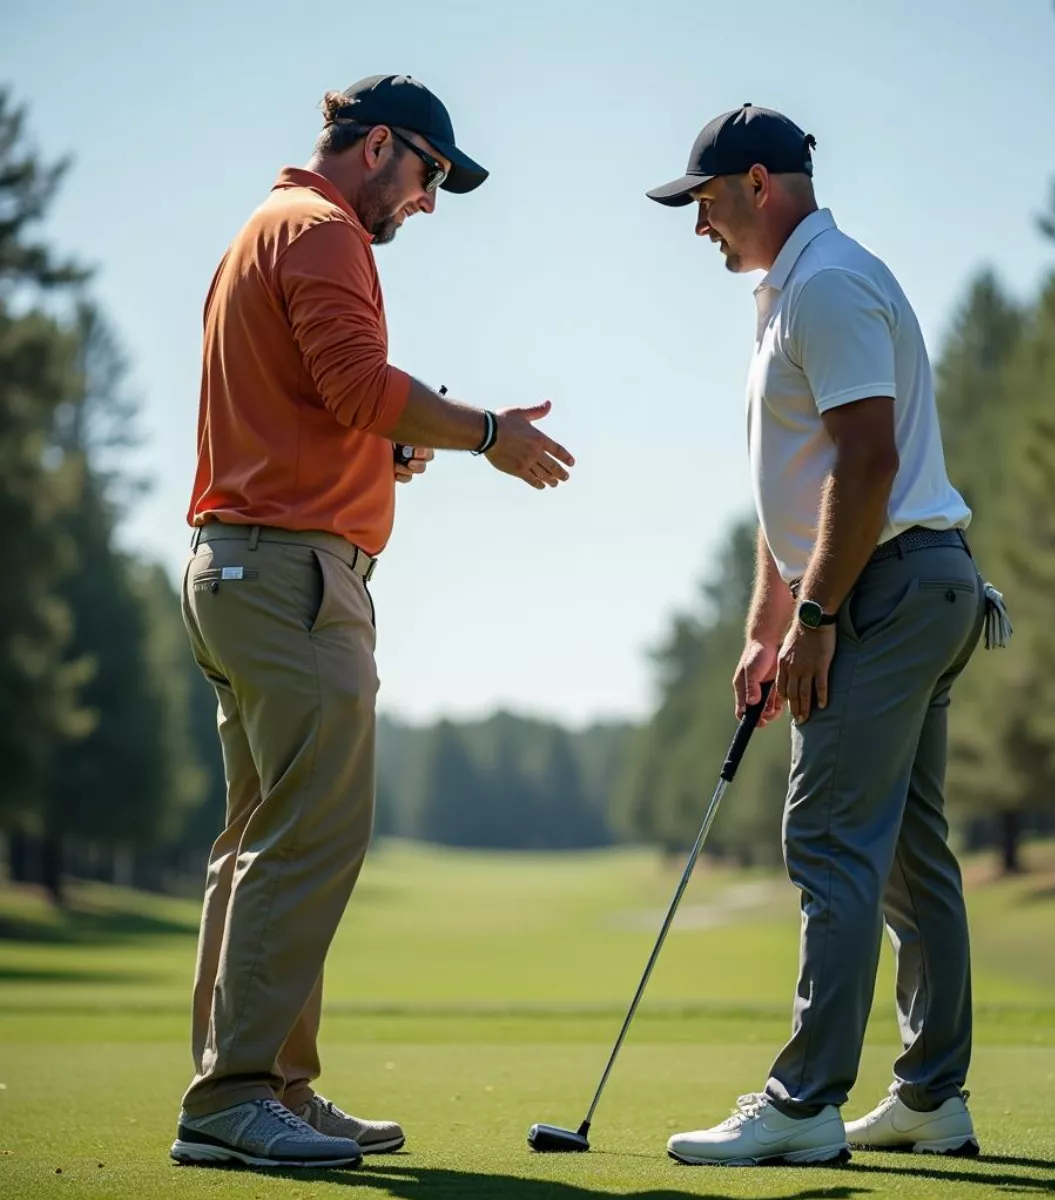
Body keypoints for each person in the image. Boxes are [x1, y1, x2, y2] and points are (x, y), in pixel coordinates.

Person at [171, 73, 575, 1171]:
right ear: (381, 146)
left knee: (260, 844)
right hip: (290, 579)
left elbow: (315, 401)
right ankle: (235, 1094)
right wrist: (486, 432)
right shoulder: (322, 229)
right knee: (311, 840)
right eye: (431, 175)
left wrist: (390, 445)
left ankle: (272, 1088)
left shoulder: (269, 228)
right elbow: (354, 385)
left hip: (242, 571)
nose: (431, 201)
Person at [645, 104, 1009, 1167]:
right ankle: (932, 1096)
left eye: (705, 203)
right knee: (905, 850)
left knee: (831, 844)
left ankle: (804, 1101)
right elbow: (794, 494)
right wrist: (768, 629)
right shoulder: (787, 296)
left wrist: (814, 619)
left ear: (761, 183)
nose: (698, 225)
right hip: (908, 584)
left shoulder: (831, 284)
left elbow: (867, 467)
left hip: (884, 589)